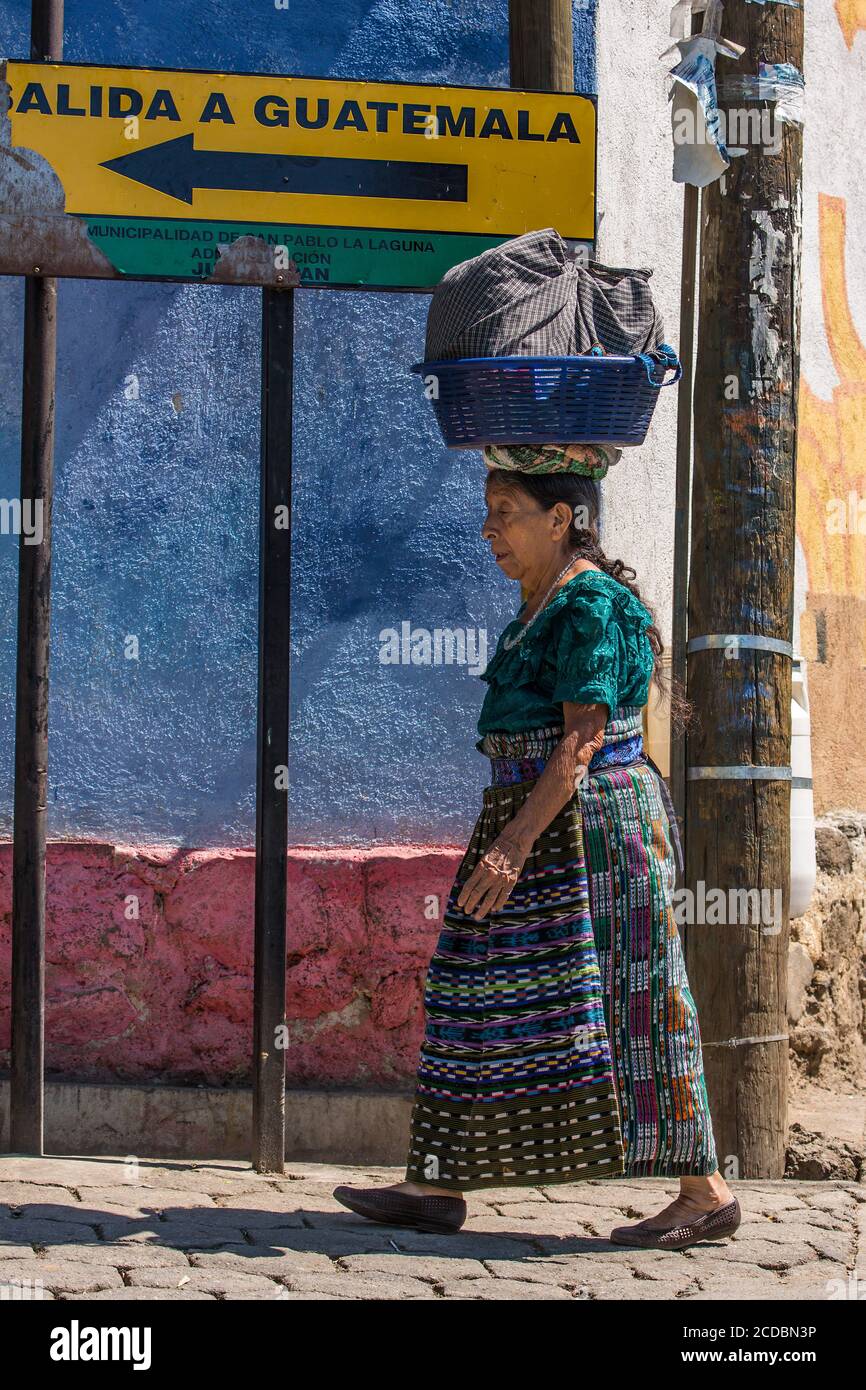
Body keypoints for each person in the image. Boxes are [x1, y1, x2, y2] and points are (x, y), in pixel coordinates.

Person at [334, 444, 741, 1251]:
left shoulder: (590, 606)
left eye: (505, 514)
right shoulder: (537, 605)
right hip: (530, 818)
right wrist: (512, 833)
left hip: (594, 830)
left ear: (560, 521)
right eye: (488, 512)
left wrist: (514, 846)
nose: (489, 530)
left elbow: (581, 743)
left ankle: (705, 1190)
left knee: (638, 995)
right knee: (470, 980)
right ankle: (436, 1180)